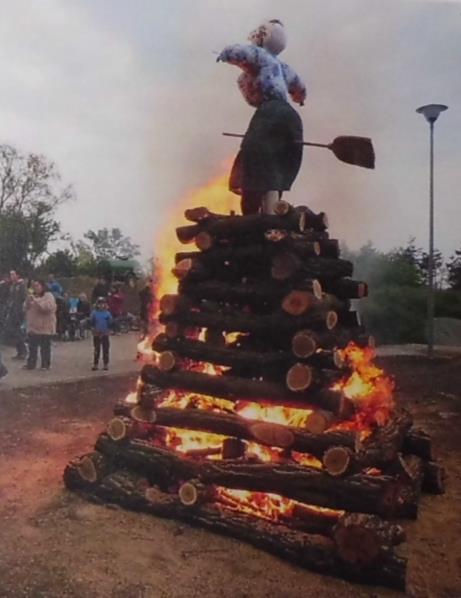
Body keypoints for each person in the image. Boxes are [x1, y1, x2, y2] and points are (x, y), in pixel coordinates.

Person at [217, 19, 306, 215]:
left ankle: (252, 214)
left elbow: (244, 53)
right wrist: (299, 96)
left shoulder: (260, 55)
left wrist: (226, 53)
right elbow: (298, 85)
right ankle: (274, 209)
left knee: (253, 158)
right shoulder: (282, 66)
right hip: (291, 117)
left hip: (271, 112)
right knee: (278, 163)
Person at [24, 280, 57, 370]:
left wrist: (35, 301)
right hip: (33, 327)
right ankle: (31, 364)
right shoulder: (32, 296)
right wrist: (27, 301)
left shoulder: (48, 296)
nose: (35, 287)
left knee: (45, 348)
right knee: (32, 347)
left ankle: (45, 365)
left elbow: (47, 308)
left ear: (42, 286)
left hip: (45, 327)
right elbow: (25, 308)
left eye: (37, 285)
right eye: (34, 286)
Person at [7, 270, 27, 359]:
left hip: (18, 312)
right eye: (10, 275)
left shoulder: (21, 285)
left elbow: (24, 298)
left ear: (18, 275)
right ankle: (19, 352)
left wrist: (22, 311)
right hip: (12, 312)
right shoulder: (12, 286)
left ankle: (23, 351)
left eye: (13, 274)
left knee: (18, 332)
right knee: (14, 332)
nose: (11, 276)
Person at [90, 297, 112, 371]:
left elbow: (110, 323)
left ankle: (105, 364)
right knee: (97, 349)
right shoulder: (94, 313)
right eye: (100, 304)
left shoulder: (107, 313)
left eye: (103, 303)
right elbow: (92, 323)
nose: (101, 305)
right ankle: (95, 364)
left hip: (105, 333)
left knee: (105, 349)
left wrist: (109, 330)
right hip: (96, 334)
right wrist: (93, 329)